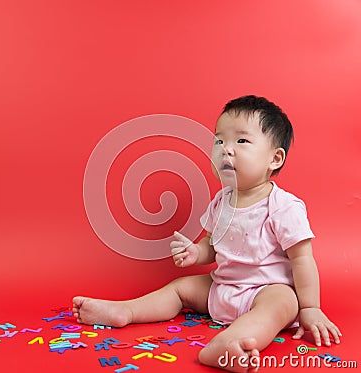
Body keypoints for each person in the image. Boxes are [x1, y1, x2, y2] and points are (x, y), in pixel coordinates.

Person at [73, 95, 341, 372]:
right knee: (180, 288)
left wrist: (310, 307)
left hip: (265, 290)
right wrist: (196, 251)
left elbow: (302, 259)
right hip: (221, 286)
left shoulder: (284, 207)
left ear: (274, 158)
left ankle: (230, 343)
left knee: (283, 303)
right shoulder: (221, 201)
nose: (226, 150)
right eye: (219, 141)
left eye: (242, 141)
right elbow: (213, 244)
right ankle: (126, 311)